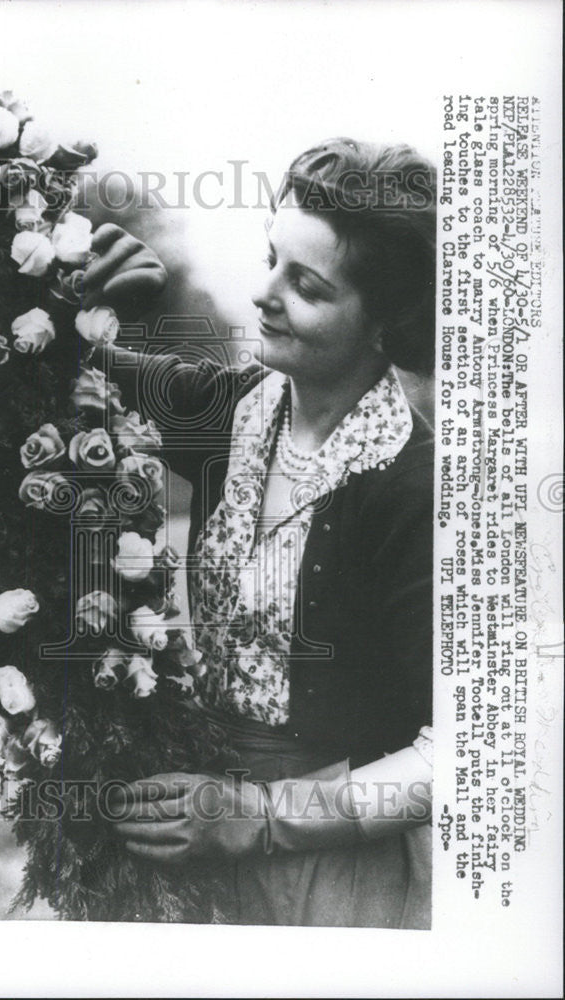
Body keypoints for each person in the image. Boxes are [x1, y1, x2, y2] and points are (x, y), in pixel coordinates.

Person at [82, 138, 436, 928]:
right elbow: (71, 372)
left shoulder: (415, 488)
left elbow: (460, 753)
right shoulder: (232, 409)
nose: (262, 295)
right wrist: (81, 283)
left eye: (305, 285)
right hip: (198, 852)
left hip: (342, 876)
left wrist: (263, 814)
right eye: (271, 259)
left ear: (386, 323)